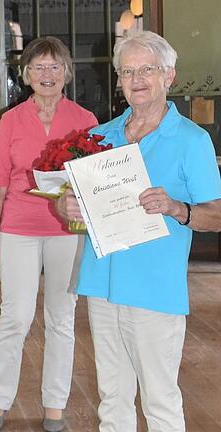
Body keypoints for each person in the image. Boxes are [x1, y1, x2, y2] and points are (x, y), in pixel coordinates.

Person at [55, 31, 221, 431]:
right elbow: (75, 211)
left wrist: (176, 208)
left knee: (160, 399)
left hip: (155, 289)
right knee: (112, 398)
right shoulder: (100, 138)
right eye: (128, 71)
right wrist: (66, 206)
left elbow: (216, 215)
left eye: (147, 69)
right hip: (101, 283)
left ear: (169, 76)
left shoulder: (192, 140)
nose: (137, 78)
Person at [0, 36, 98, 432]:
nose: (46, 75)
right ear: (26, 74)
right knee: (14, 316)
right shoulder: (10, 121)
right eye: (38, 68)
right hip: (18, 228)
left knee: (62, 318)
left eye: (54, 67)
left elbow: (96, 184)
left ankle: (55, 407)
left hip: (68, 231)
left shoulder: (85, 120)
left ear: (66, 72)